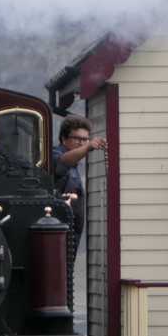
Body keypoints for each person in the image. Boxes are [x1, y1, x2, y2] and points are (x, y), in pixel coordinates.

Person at [54, 117, 105, 294]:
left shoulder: (75, 164)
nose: (81, 143)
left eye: (85, 139)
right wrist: (89, 146)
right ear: (63, 138)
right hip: (59, 228)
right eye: (77, 139)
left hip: (72, 230)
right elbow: (62, 162)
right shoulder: (56, 154)